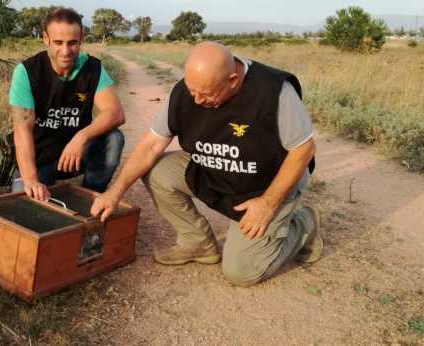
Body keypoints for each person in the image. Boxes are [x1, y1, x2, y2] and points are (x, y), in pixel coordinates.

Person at [90, 41, 322, 286]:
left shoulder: (274, 91)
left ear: (233, 80)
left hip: (264, 186)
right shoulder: (187, 91)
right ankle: (197, 243)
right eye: (193, 91)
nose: (198, 100)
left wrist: (267, 203)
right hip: (218, 169)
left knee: (241, 271)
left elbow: (304, 150)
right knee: (157, 171)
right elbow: (150, 146)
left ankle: (305, 224)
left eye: (208, 94)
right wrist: (113, 193)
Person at [9, 8, 125, 200]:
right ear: (45, 39)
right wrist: (30, 180)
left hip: (76, 155)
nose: (65, 51)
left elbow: (116, 113)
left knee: (114, 138)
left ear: (81, 40)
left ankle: (91, 196)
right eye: (58, 42)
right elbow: (22, 130)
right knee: (24, 206)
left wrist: (81, 137)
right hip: (39, 159)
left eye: (72, 43)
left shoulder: (92, 68)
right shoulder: (27, 72)